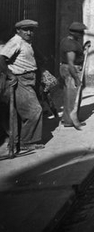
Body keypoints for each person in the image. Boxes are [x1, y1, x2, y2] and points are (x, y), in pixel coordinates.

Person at [0, 20, 44, 152]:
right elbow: (1, 59)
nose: (29, 32)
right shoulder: (15, 41)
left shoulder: (26, 42)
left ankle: (21, 139)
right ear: (18, 31)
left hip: (29, 78)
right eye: (25, 30)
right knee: (34, 110)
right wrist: (9, 74)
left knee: (26, 111)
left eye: (31, 30)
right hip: (20, 79)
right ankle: (26, 142)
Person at [59, 22, 88, 130]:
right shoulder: (70, 44)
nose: (82, 34)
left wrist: (84, 49)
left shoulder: (70, 41)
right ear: (74, 32)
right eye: (80, 33)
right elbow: (71, 63)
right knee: (72, 97)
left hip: (69, 69)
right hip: (72, 70)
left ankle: (66, 118)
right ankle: (70, 121)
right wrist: (76, 78)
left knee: (68, 95)